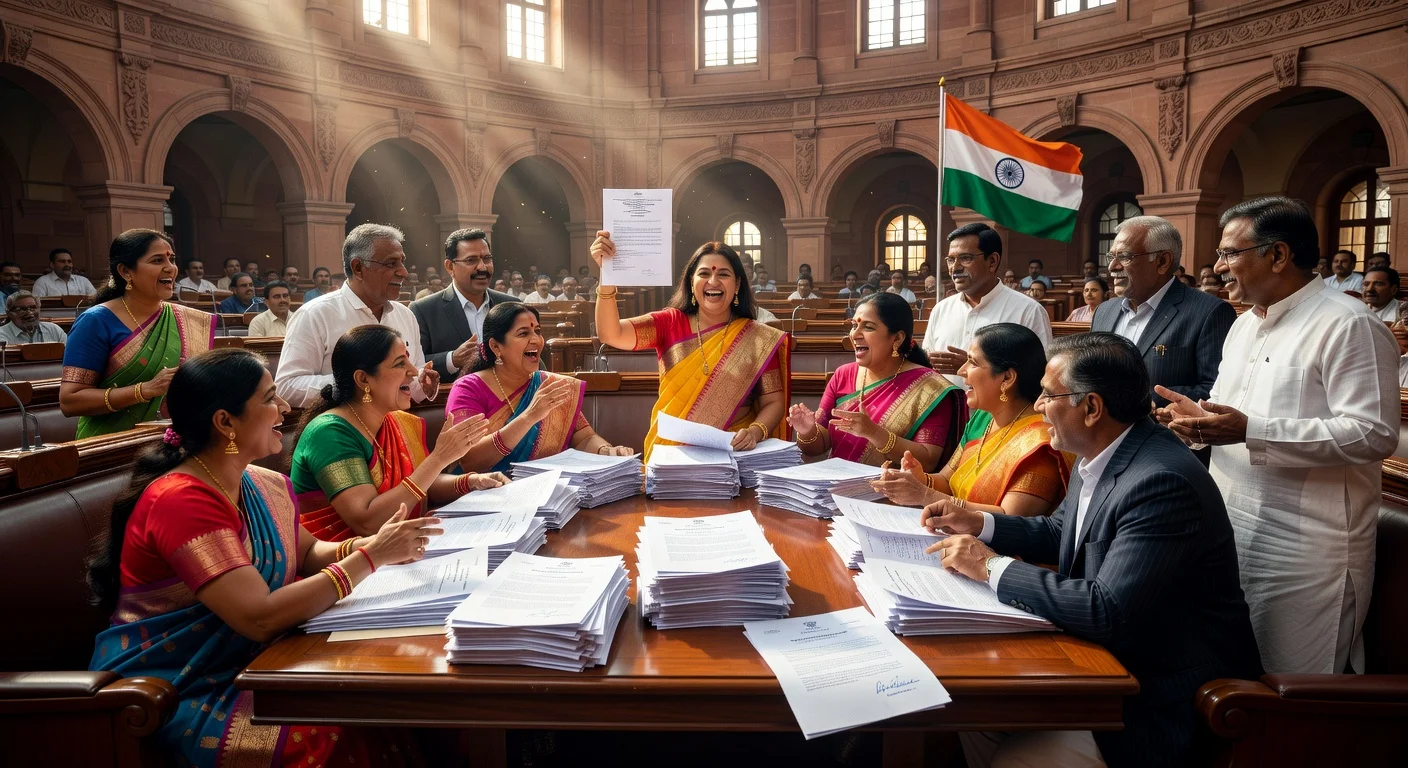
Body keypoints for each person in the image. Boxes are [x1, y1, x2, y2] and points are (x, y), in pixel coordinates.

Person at [87, 348, 438, 767]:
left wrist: (379, 545)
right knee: (341, 727)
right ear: (225, 422)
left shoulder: (262, 482)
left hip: (258, 663)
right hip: (179, 687)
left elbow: (308, 552)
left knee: (389, 698)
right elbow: (259, 617)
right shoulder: (181, 500)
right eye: (270, 398)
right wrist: (369, 558)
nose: (284, 407)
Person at [927, 332, 1261, 768]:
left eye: (1049, 396)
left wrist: (991, 567)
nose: (1039, 406)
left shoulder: (1161, 482)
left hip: (1158, 699)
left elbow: (1107, 609)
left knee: (1008, 751)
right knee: (967, 715)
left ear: (1091, 408)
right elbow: (1060, 530)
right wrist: (982, 523)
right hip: (1098, 664)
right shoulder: (1101, 451)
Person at [1159, 196, 1398, 676]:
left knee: (1291, 691)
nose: (1220, 266)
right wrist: (1198, 424)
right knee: (1228, 674)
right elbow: (1231, 415)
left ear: (1278, 255)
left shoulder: (1349, 323)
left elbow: (1373, 434)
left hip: (1306, 549)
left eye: (1230, 253)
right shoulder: (1243, 324)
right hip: (1231, 527)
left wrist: (1251, 430)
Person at [291, 325, 503, 541]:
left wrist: (471, 481)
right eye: (400, 363)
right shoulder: (330, 433)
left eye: (409, 360)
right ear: (363, 379)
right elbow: (368, 523)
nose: (414, 371)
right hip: (344, 564)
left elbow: (421, 485)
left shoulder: (397, 421)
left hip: (400, 549)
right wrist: (439, 458)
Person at [590, 234, 789, 461]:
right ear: (691, 283)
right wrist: (607, 275)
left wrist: (755, 432)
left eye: (723, 274)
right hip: (674, 456)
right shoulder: (669, 323)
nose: (713, 281)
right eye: (704, 273)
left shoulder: (757, 338)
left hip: (735, 454)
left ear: (737, 285)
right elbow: (610, 333)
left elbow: (773, 402)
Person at [871, 323, 1068, 515]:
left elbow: (1011, 520)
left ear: (1007, 378)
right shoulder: (983, 418)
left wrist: (925, 495)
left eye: (973, 362)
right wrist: (918, 479)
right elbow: (947, 481)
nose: (961, 370)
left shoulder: (1040, 444)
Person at [60, 229, 214, 438]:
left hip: (172, 442)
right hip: (110, 447)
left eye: (172, 259)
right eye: (157, 260)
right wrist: (145, 390)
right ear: (125, 271)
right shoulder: (96, 321)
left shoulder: (186, 319)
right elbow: (70, 401)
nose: (170, 268)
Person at [447, 304, 634, 473]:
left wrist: (607, 451)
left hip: (549, 495)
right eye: (523, 333)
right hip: (484, 495)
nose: (536, 340)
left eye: (538, 331)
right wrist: (529, 417)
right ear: (496, 346)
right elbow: (469, 460)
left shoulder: (549, 384)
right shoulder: (468, 389)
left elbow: (584, 437)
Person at [787, 292, 965, 469]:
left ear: (897, 338)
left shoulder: (930, 388)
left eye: (868, 327)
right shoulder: (842, 375)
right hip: (835, 489)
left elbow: (928, 460)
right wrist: (806, 430)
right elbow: (818, 446)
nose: (855, 334)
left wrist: (874, 433)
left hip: (892, 492)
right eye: (853, 325)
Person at [275, 223, 440, 408]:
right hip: (342, 429)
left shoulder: (405, 315)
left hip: (396, 428)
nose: (403, 272)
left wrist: (423, 381)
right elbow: (286, 387)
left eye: (402, 262)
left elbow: (413, 388)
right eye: (391, 263)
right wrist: (357, 384)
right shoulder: (315, 314)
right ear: (358, 267)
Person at [1094, 215, 1236, 409]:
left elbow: (1215, 390)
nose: (1113, 267)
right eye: (1111, 257)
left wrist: (1145, 400)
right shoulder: (1104, 311)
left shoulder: (1209, 312)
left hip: (1164, 433)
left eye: (1125, 257)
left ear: (1162, 261)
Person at [923, 223, 1052, 386]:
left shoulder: (1028, 311)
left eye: (965, 258)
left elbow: (1041, 377)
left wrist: (975, 367)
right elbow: (926, 368)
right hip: (946, 409)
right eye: (951, 260)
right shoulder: (941, 309)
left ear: (992, 261)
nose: (955, 268)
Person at [411, 227, 521, 383]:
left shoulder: (512, 306)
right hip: (449, 402)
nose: (482, 267)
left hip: (512, 398)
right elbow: (413, 365)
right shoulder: (424, 310)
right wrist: (452, 359)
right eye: (471, 260)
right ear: (450, 267)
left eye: (487, 259)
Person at [0, 290, 68, 344]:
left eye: (33, 308)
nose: (29, 312)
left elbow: (68, 352)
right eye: (21, 309)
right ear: (8, 313)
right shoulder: (2, 334)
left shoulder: (54, 330)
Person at [31, 247, 96, 298]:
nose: (67, 265)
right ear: (52, 265)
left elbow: (96, 301)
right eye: (62, 261)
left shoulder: (83, 281)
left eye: (69, 261)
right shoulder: (42, 282)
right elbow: (37, 306)